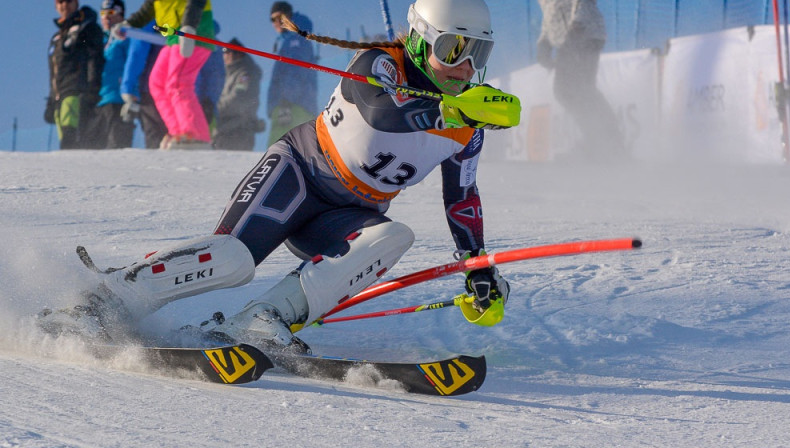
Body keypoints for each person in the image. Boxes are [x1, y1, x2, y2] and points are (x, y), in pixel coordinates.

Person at [38, 0, 516, 353]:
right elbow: (381, 112)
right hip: (299, 173)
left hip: (348, 215)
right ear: (420, 39)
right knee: (231, 260)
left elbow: (461, 198)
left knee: (394, 237)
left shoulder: (466, 128)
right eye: (454, 48)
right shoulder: (380, 62)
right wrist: (450, 110)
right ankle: (102, 302)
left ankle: (262, 320)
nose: (467, 67)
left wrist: (478, 267)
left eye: (479, 52)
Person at [121, 0, 216, 150]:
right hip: (173, 37)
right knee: (157, 83)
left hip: (194, 32)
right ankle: (178, 132)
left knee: (179, 83)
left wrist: (189, 27)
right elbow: (148, 9)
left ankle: (196, 135)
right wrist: (128, 24)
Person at [536, 0, 624, 159]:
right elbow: (550, 9)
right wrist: (545, 40)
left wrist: (578, 23)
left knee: (571, 90)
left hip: (583, 32)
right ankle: (601, 141)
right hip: (571, 37)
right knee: (575, 91)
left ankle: (608, 141)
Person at [45, 0, 104, 150]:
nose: (64, 5)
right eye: (60, 1)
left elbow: (94, 58)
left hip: (76, 90)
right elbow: (54, 72)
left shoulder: (85, 28)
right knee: (65, 141)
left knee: (70, 138)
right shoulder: (57, 38)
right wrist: (51, 100)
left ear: (76, 3)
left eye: (69, 1)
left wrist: (92, 88)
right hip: (59, 96)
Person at [266, 1, 317, 145]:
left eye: (279, 17)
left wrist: (286, 101)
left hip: (292, 105)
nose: (275, 22)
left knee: (278, 149)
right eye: (272, 19)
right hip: (293, 105)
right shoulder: (289, 40)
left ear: (289, 15)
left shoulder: (296, 39)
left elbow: (296, 70)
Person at [119, 19, 168, 149]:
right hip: (179, 89)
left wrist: (127, 88)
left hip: (151, 89)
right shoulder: (187, 23)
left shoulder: (150, 24)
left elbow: (137, 54)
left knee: (155, 134)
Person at [93, 0, 135, 149]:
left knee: (117, 148)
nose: (106, 17)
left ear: (121, 14)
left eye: (111, 12)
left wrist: (132, 97)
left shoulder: (126, 38)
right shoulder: (100, 40)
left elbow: (135, 66)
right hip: (100, 101)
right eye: (103, 13)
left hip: (118, 100)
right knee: (94, 151)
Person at [215, 38, 264, 151]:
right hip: (226, 129)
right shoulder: (230, 73)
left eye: (227, 51)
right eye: (224, 52)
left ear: (238, 54)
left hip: (238, 130)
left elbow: (238, 99)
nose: (225, 55)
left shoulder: (245, 73)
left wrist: (215, 110)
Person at [195, 20, 225, 140]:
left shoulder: (212, 45)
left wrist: (209, 100)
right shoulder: (191, 40)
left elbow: (216, 75)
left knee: (202, 141)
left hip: (203, 102)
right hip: (187, 101)